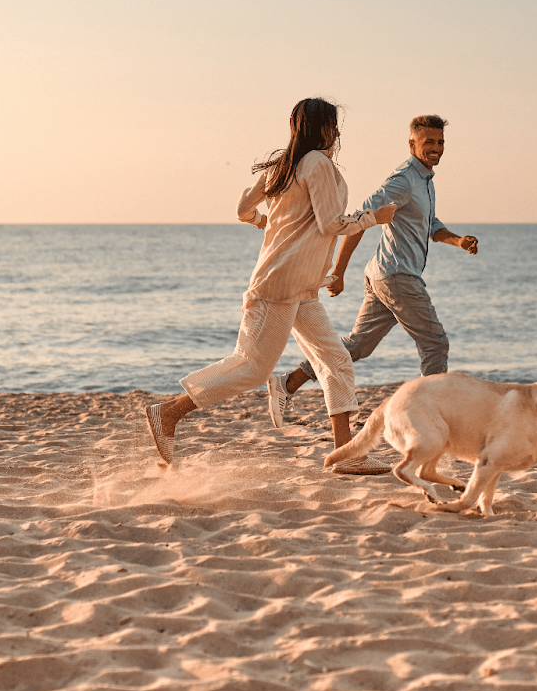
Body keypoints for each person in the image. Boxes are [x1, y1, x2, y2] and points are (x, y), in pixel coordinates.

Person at [143, 97, 398, 474]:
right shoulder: (317, 163)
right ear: (320, 128)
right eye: (333, 125)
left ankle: (348, 454)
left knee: (336, 361)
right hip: (278, 287)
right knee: (252, 368)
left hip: (299, 288)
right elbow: (331, 224)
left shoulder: (284, 166)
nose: (338, 132)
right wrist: (373, 218)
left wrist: (266, 224)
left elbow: (243, 209)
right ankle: (169, 412)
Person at [267, 114, 478, 436]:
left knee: (360, 345)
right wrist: (338, 271)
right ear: (412, 144)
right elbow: (364, 215)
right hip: (397, 276)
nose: (436, 148)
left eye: (440, 142)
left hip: (383, 275)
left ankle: (289, 382)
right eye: (428, 143)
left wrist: (458, 240)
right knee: (435, 344)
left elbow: (430, 225)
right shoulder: (404, 179)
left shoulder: (424, 182)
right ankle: (433, 416)